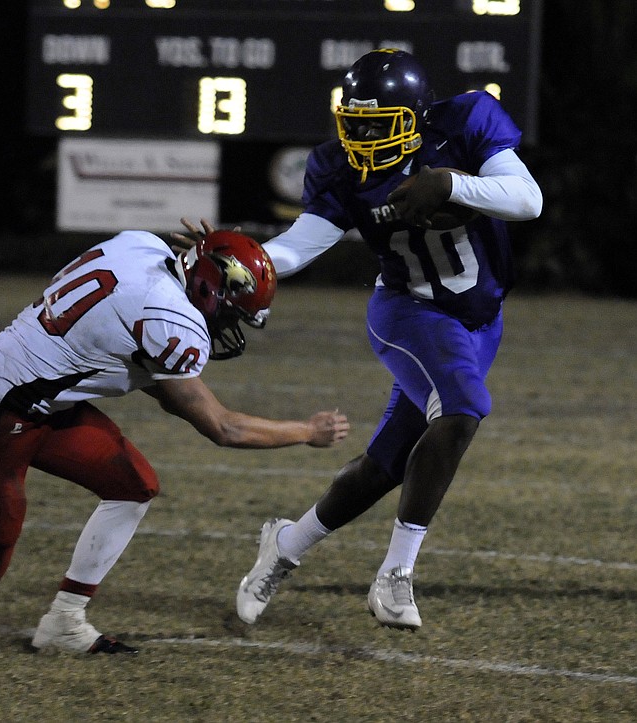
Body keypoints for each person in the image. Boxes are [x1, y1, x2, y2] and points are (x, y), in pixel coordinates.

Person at [0, 228, 349, 653]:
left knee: (133, 485)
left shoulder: (141, 245)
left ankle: (64, 620)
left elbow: (147, 364)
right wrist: (306, 431)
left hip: (39, 403)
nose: (229, 327)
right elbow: (220, 426)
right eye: (232, 313)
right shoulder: (171, 321)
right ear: (206, 289)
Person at [221, 48, 542, 631]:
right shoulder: (339, 169)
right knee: (464, 408)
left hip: (480, 320)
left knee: (386, 464)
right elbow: (300, 245)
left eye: (380, 123)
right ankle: (395, 577)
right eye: (356, 123)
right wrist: (241, 261)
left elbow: (527, 199)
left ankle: (284, 545)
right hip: (408, 310)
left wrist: (450, 183)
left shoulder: (465, 122)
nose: (364, 138)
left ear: (416, 117)